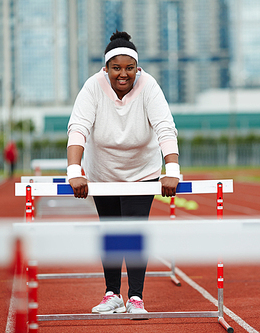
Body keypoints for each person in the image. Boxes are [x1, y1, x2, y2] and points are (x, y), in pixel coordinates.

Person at [66, 30, 180, 315]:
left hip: (142, 172)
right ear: (106, 69)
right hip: (102, 173)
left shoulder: (149, 86)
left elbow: (165, 127)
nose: (123, 74)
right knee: (112, 231)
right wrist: (74, 170)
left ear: (137, 68)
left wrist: (172, 169)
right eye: (116, 68)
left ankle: (136, 298)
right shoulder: (92, 87)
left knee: (133, 231)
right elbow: (78, 128)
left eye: (129, 68)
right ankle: (112, 294)